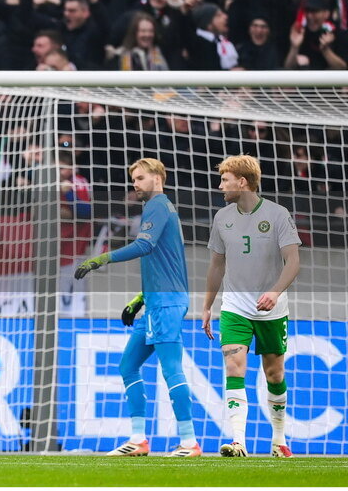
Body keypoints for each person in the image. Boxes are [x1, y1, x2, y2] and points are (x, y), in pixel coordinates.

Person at [74, 158, 200, 457]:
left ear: (157, 178)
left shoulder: (158, 204)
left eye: (140, 178)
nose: (135, 184)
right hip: (156, 301)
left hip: (167, 302)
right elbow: (162, 262)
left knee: (171, 369)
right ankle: (139, 439)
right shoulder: (158, 208)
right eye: (134, 179)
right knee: (128, 365)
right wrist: (139, 300)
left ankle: (189, 442)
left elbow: (144, 247)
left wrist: (100, 258)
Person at [201, 155, 300, 459]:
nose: (220, 186)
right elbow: (217, 265)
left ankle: (279, 439)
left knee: (274, 373)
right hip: (234, 307)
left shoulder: (278, 214)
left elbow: (293, 261)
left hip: (272, 309)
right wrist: (206, 306)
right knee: (234, 366)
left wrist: (274, 291)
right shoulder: (222, 218)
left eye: (225, 180)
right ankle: (238, 441)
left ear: (242, 182)